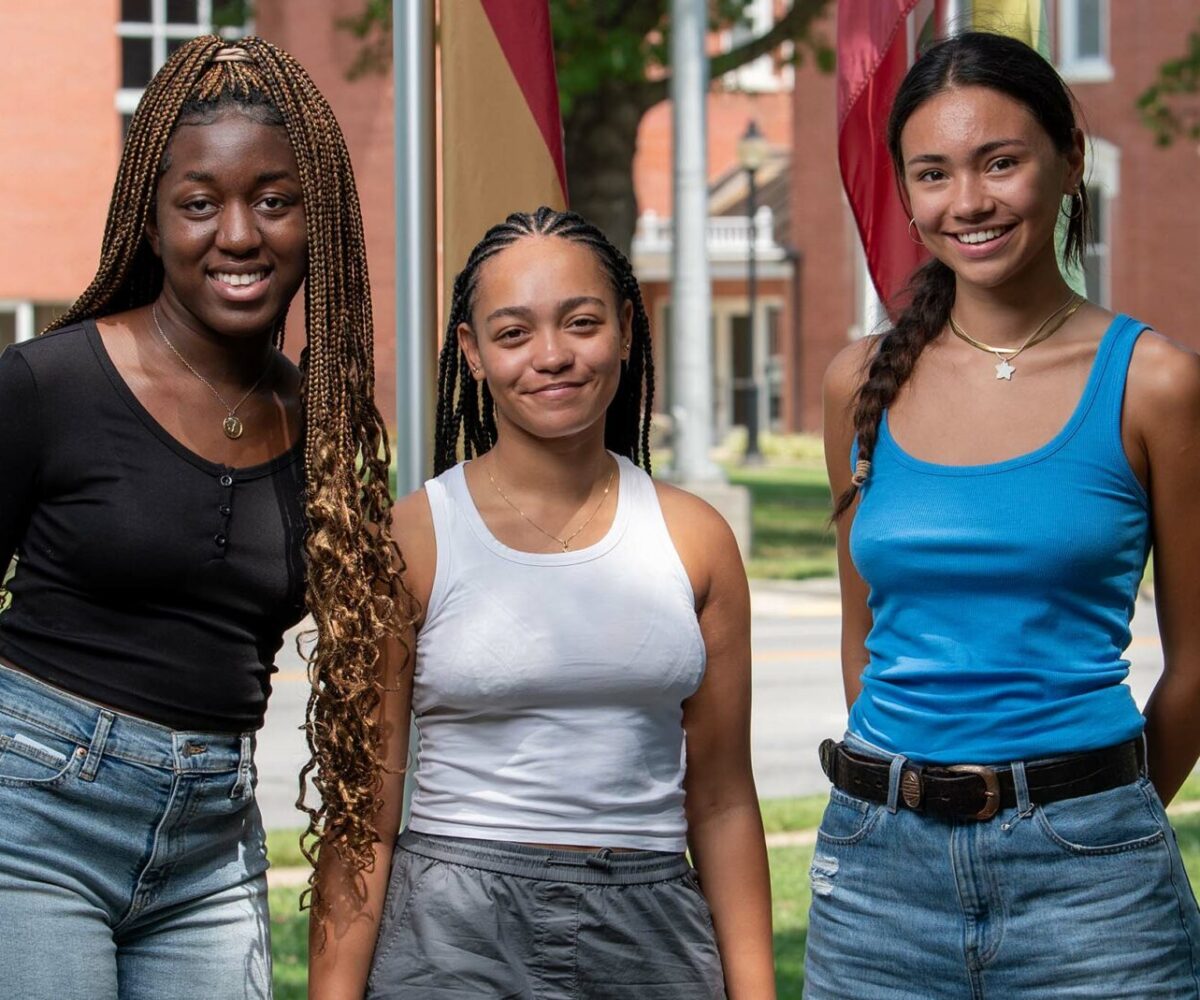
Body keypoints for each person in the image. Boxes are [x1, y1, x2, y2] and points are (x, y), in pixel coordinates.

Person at [0, 36, 405, 999]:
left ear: (322, 224)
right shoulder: (48, 385)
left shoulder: (321, 428)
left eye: (273, 201)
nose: (237, 234)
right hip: (31, 814)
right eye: (199, 203)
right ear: (151, 221)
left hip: (212, 842)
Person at [807, 30, 1200, 999]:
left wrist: (1098, 815)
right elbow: (865, 633)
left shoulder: (1152, 382)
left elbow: (1198, 658)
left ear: (1069, 158)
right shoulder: (859, 381)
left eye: (1001, 162)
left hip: (1091, 875)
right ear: (904, 193)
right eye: (933, 173)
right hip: (873, 871)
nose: (969, 201)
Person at [307, 207, 776, 1000]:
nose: (552, 356)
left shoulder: (696, 540)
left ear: (627, 330)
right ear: (473, 352)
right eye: (514, 332)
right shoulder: (415, 538)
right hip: (453, 928)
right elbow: (365, 814)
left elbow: (724, 798)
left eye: (582, 323)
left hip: (650, 925)